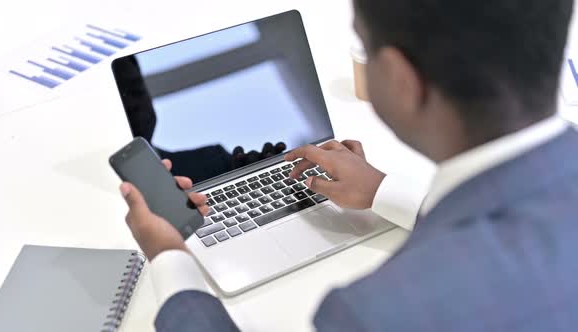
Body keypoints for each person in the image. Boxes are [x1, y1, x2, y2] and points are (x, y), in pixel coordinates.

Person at [119, 0, 578, 330]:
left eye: (364, 43)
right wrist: (383, 191)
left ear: (400, 79)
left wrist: (170, 258)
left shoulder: (375, 312)